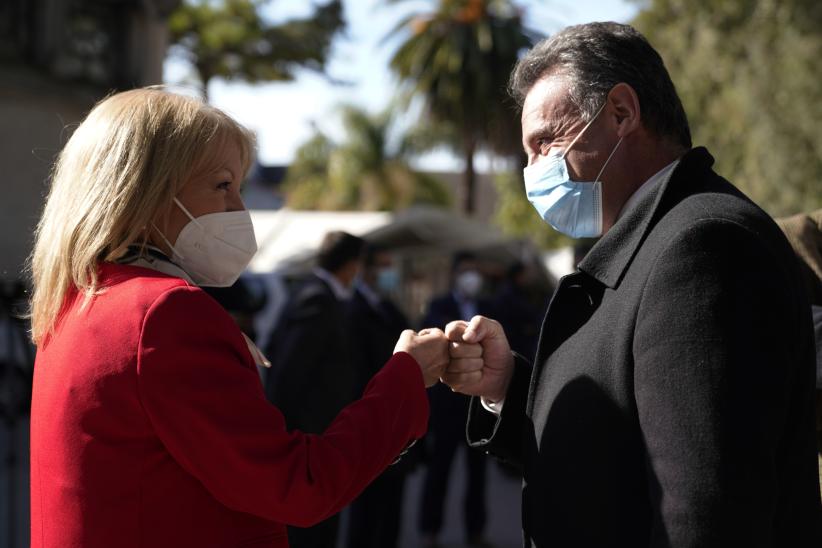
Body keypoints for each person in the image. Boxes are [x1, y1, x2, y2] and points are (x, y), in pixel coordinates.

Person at [439, 22, 822, 547]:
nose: (532, 170)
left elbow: (703, 513)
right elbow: (612, 451)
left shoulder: (702, 248)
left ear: (621, 112)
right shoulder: (655, 242)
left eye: (544, 142)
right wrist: (510, 389)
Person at [27, 87, 450, 548]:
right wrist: (406, 376)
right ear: (147, 191)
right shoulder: (164, 313)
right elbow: (298, 487)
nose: (239, 209)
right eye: (223, 185)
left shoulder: (78, 300)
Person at [418, 252, 490, 548]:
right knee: (440, 472)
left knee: (478, 474)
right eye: (466, 271)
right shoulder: (439, 306)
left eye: (475, 270)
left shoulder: (488, 308)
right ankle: (430, 532)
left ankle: (475, 533)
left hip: (479, 405)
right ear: (455, 274)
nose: (471, 276)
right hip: (447, 406)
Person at [345, 244, 414, 548]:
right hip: (370, 419)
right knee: (366, 512)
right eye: (383, 265)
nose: (389, 273)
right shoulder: (351, 308)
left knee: (390, 512)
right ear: (367, 269)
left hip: (395, 423)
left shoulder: (388, 308)